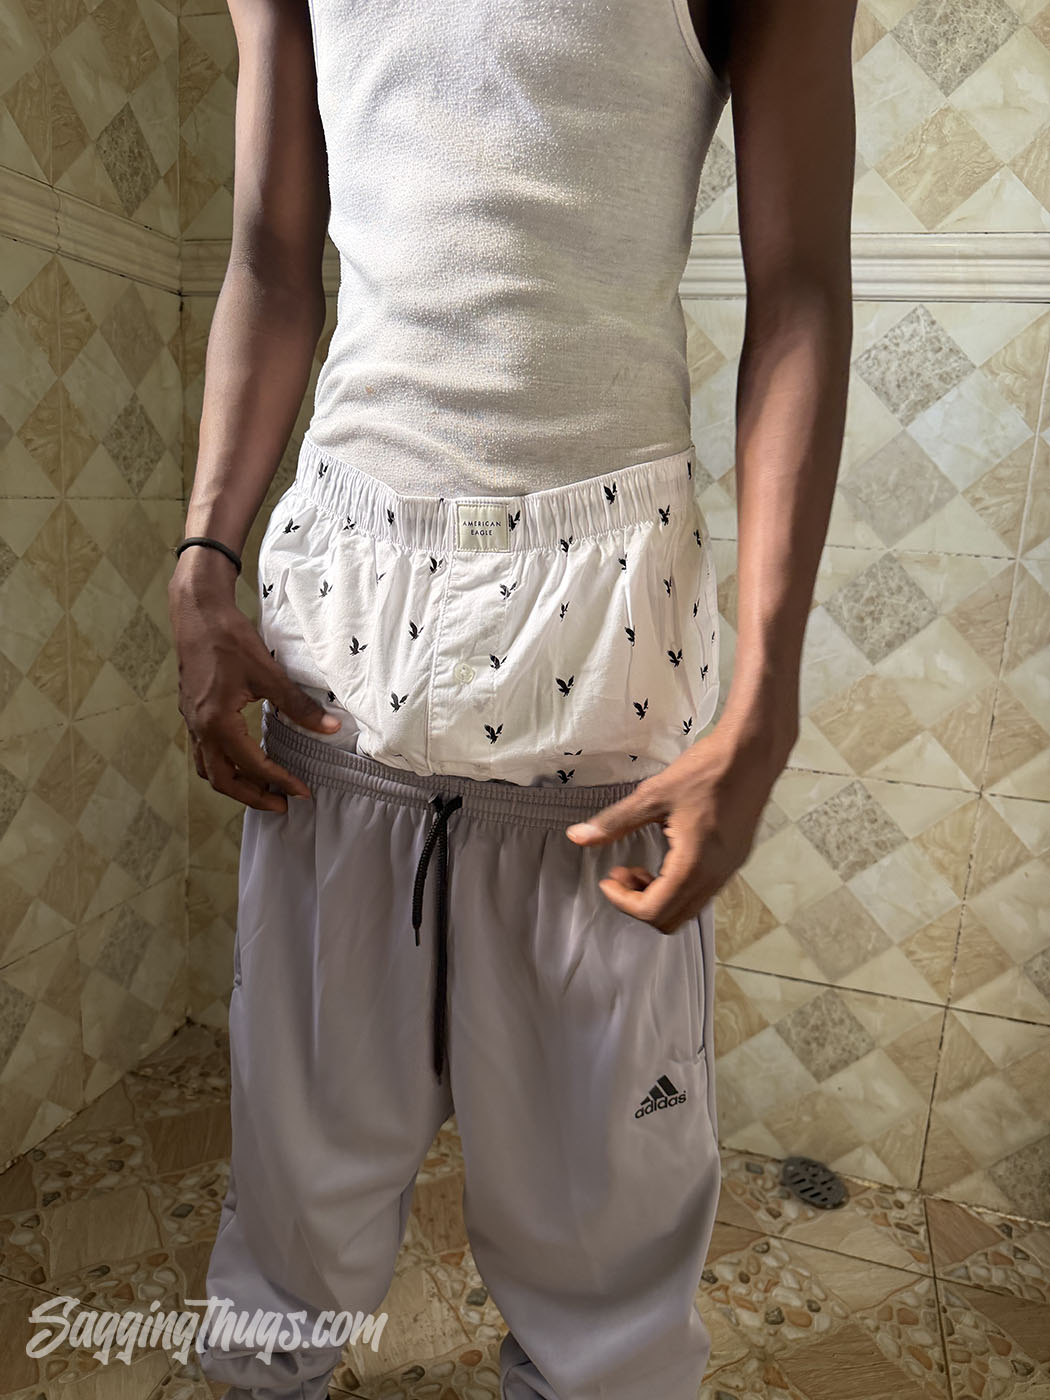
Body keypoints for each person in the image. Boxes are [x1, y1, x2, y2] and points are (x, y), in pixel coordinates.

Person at [167, 0, 857, 1395]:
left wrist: (768, 701)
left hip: (604, 668)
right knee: (292, 1211)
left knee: (607, 1258)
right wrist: (203, 559)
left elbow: (796, 288)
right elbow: (271, 258)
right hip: (339, 647)